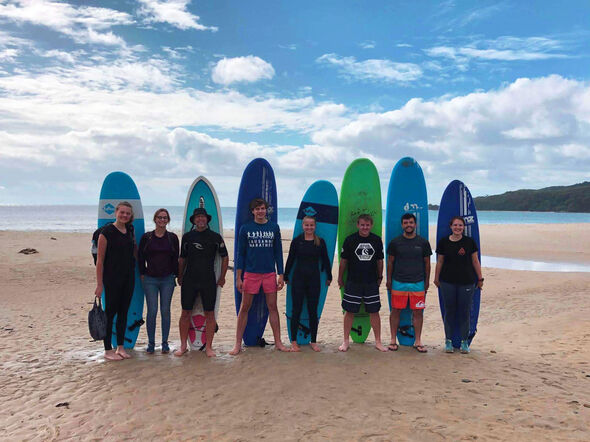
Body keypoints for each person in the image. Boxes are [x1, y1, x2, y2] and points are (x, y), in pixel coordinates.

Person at [230, 198, 290, 354]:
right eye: (257, 209)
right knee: (245, 307)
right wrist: (238, 277)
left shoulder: (274, 228)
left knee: (272, 307)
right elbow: (240, 255)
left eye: (263, 208)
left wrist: (281, 275)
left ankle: (278, 342)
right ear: (253, 211)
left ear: (266, 210)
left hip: (269, 273)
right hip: (250, 274)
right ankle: (237, 344)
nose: (260, 211)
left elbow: (278, 252)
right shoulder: (246, 229)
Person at [174, 208, 229, 357]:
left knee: (210, 314)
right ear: (194, 220)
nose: (200, 220)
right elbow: (182, 258)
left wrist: (222, 277)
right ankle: (183, 345)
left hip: (208, 280)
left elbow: (225, 257)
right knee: (185, 313)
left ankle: (209, 347)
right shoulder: (187, 237)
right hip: (189, 280)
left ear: (207, 219)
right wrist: (180, 275)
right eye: (198, 217)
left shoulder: (215, 237)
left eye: (203, 217)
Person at [338, 214, 388, 352]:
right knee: (349, 311)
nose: (365, 227)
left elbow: (380, 260)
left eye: (367, 225)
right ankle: (346, 341)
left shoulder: (376, 240)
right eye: (362, 225)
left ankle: (378, 341)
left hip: (371, 282)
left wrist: (380, 277)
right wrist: (340, 277)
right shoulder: (350, 240)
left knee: (374, 311)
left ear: (371, 226)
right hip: (353, 281)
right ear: (357, 225)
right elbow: (343, 261)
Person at [433, 216, 483, 354]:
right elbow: (440, 262)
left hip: (467, 281)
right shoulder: (443, 242)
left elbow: (475, 261)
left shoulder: (469, 242)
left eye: (460, 225)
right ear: (451, 226)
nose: (457, 228)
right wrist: (436, 278)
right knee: (449, 311)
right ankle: (448, 341)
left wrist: (480, 278)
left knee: (464, 312)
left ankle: (464, 342)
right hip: (447, 282)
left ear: (463, 227)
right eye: (455, 225)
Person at [94, 201, 136, 361]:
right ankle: (107, 349)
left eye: (127, 213)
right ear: (116, 212)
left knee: (123, 313)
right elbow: (100, 261)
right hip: (112, 279)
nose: (125, 215)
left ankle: (120, 347)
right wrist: (99, 284)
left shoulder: (129, 230)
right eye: (122, 212)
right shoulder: (106, 232)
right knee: (109, 314)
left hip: (128, 278)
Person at [284, 216, 332, 352]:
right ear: (303, 226)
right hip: (298, 279)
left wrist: (329, 275)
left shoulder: (320, 242)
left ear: (315, 226)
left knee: (312, 311)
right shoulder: (297, 241)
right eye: (307, 225)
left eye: (312, 225)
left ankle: (314, 341)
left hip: (314, 280)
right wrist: (286, 275)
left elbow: (326, 260)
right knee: (296, 310)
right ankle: (294, 341)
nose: (309, 228)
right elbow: (290, 259)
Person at [386, 213, 432, 353]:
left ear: (415, 224)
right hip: (398, 282)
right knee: (396, 311)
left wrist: (427, 281)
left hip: (417, 282)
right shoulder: (395, 242)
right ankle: (393, 339)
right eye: (406, 223)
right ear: (402, 225)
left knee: (418, 312)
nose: (408, 225)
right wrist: (388, 280)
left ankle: (418, 341)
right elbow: (390, 263)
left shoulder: (423, 243)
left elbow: (427, 264)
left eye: (411, 222)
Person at [137, 208, 179, 354]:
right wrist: (142, 273)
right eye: (159, 217)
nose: (162, 220)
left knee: (165, 311)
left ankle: (165, 343)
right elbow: (140, 257)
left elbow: (176, 258)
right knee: (152, 311)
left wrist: (176, 275)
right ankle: (151, 343)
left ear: (168, 220)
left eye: (165, 218)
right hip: (150, 280)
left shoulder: (172, 237)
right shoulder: (147, 237)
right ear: (155, 219)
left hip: (167, 279)